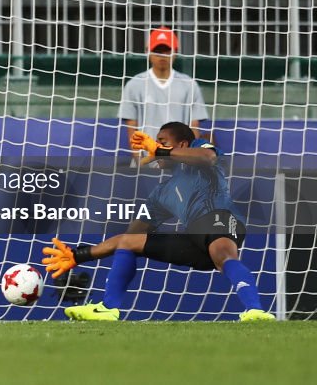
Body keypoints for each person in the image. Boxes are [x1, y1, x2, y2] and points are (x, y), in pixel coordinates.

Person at [42, 122, 275, 322]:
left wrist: (160, 151)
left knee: (222, 252)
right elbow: (127, 237)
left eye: (162, 141)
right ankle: (107, 309)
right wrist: (78, 255)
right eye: (156, 143)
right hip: (195, 238)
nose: (154, 148)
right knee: (128, 242)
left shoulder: (198, 147)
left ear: (182, 144)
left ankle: (255, 311)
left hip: (222, 219)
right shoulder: (161, 194)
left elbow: (208, 157)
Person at [118, 27, 209, 161]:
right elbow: (132, 129)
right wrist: (139, 163)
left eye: (167, 50)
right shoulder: (134, 84)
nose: (162, 55)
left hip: (179, 161)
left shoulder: (189, 85)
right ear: (148, 52)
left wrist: (189, 161)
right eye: (157, 50)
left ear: (175, 52)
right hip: (147, 159)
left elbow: (194, 128)